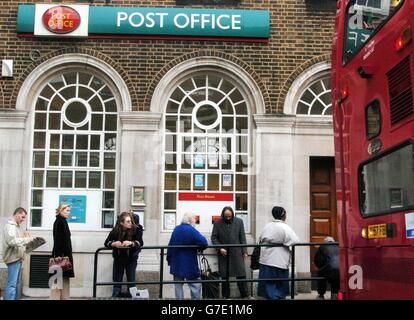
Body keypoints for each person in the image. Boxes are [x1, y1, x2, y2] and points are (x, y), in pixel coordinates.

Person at [257, 206, 299, 300]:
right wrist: (285, 243)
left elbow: (260, 239)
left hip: (266, 259)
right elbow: (295, 240)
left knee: (268, 283)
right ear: (283, 215)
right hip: (279, 259)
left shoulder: (267, 226)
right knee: (279, 284)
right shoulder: (285, 227)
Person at [167, 212, 208, 299]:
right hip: (189, 262)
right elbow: (204, 242)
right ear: (190, 221)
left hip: (177, 262)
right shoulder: (191, 230)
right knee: (195, 285)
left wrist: (169, 260)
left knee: (178, 286)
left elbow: (170, 245)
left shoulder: (176, 229)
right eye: (194, 220)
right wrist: (199, 248)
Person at [211, 206, 249, 299]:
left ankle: (245, 295)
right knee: (224, 276)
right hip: (224, 254)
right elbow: (214, 238)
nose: (228, 218)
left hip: (237, 252)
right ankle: (225, 296)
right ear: (223, 215)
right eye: (226, 216)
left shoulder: (239, 222)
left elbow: (242, 237)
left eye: (229, 216)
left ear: (232, 215)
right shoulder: (217, 224)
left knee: (241, 274)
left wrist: (244, 251)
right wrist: (220, 248)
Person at [104, 212, 144, 298]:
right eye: (128, 221)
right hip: (119, 258)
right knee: (117, 280)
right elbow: (106, 242)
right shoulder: (115, 230)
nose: (130, 223)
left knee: (131, 280)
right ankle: (115, 296)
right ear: (122, 223)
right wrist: (113, 244)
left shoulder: (136, 229)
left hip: (131, 258)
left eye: (131, 221)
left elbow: (140, 242)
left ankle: (132, 297)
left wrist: (131, 243)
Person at [2, 207, 35, 300]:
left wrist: (23, 252)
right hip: (13, 259)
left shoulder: (17, 226)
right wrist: (27, 239)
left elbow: (18, 242)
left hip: (17, 258)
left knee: (15, 285)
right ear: (17, 214)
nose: (23, 220)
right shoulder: (11, 226)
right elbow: (12, 241)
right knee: (12, 285)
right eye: (22, 217)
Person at [50, 203, 74, 300]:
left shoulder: (62, 221)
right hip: (61, 257)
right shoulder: (60, 222)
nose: (69, 212)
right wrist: (59, 255)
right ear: (61, 210)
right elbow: (58, 240)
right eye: (67, 210)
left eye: (69, 210)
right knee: (57, 282)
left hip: (64, 256)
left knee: (63, 281)